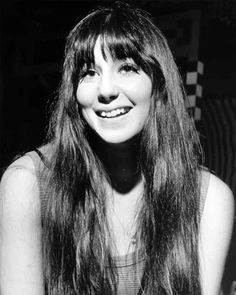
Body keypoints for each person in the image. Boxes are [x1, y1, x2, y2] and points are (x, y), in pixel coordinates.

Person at [0, 2, 234, 295]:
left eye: (127, 67)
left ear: (158, 84)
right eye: (88, 72)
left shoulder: (209, 199)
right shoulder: (28, 185)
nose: (105, 90)